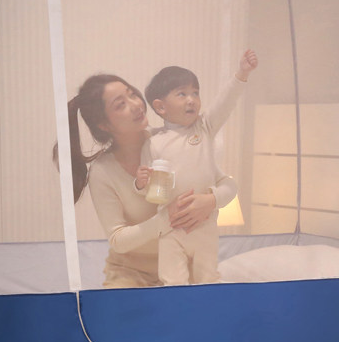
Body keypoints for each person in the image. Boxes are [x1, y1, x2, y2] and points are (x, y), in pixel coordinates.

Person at [67, 74, 237, 288]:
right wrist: (167, 219)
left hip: (183, 267)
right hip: (131, 273)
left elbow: (227, 183)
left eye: (131, 94)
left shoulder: (167, 141)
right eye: (120, 105)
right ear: (104, 125)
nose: (136, 105)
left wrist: (211, 201)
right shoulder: (103, 171)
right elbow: (118, 240)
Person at [137, 50, 258, 286]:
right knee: (172, 281)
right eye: (182, 94)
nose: (191, 99)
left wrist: (241, 74)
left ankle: (209, 305)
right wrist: (141, 184)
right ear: (161, 107)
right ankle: (177, 306)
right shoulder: (153, 143)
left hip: (205, 225)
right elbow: (150, 192)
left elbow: (225, 103)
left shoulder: (204, 128)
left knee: (208, 278)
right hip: (171, 227)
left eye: (195, 93)